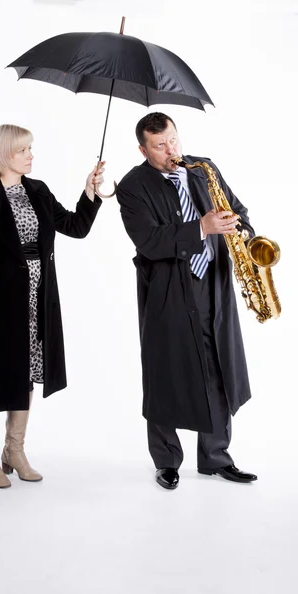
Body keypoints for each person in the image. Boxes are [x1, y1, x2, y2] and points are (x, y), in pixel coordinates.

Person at [0, 124, 104, 489]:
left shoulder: (38, 191)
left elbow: (76, 226)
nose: (31, 155)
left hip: (37, 299)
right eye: (24, 150)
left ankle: (13, 450)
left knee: (26, 372)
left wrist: (90, 192)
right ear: (5, 155)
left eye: (31, 148)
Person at [116, 112, 257, 490]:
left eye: (173, 140)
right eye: (160, 146)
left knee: (217, 367)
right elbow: (148, 241)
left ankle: (215, 458)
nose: (170, 151)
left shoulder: (202, 167)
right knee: (164, 371)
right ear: (143, 149)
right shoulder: (131, 186)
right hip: (166, 289)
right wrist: (201, 227)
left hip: (212, 283)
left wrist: (240, 229)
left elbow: (238, 210)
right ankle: (166, 461)